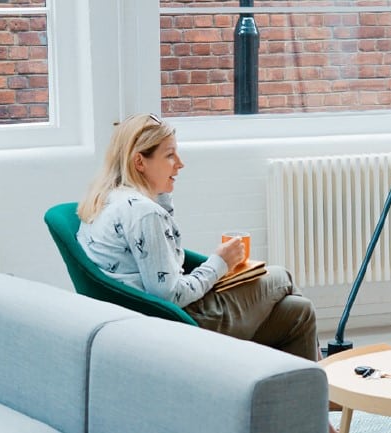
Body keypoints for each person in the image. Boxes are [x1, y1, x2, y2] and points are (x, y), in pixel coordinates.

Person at [76, 113, 339, 432]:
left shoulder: (111, 200)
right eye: (170, 155)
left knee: (298, 312)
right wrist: (219, 263)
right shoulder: (144, 214)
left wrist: (162, 194)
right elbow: (170, 294)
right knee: (280, 276)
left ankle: (311, 418)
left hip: (148, 323)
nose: (180, 164)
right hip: (182, 324)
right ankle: (314, 409)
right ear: (139, 162)